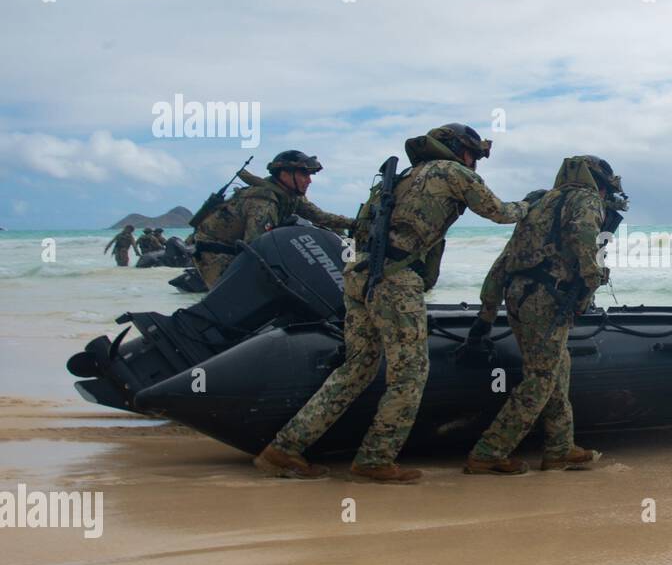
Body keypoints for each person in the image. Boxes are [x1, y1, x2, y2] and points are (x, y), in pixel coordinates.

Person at [252, 124, 529, 484]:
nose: (474, 161)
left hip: (360, 274)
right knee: (410, 374)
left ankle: (285, 448)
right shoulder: (451, 172)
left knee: (356, 368)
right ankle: (375, 458)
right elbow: (499, 212)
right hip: (396, 279)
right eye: (472, 154)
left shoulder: (404, 178)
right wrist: (528, 206)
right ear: (458, 151)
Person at [462, 155, 625, 475]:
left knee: (556, 369)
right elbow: (583, 236)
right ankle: (489, 451)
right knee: (541, 378)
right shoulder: (587, 200)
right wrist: (592, 279)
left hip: (519, 295)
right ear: (599, 185)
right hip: (547, 300)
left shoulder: (539, 202)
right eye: (605, 188)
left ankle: (560, 447)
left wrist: (488, 310)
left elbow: (506, 258)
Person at [191, 150, 356, 288]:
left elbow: (320, 217)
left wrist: (356, 223)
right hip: (215, 253)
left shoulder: (290, 196)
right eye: (304, 174)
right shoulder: (264, 202)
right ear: (284, 174)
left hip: (234, 250)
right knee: (235, 298)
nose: (309, 180)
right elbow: (256, 248)